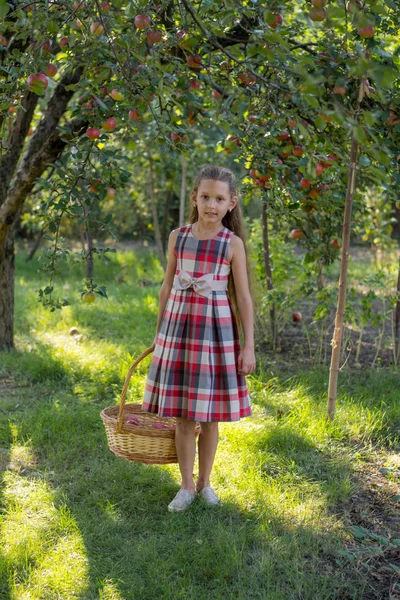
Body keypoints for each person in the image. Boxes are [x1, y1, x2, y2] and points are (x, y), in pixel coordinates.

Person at [141, 165, 256, 512]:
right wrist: (160, 332)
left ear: (231, 203)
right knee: (183, 416)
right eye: (205, 197)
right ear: (195, 198)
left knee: (209, 417)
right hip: (179, 330)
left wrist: (248, 346)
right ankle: (186, 486)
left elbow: (244, 298)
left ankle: (206, 484)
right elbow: (166, 287)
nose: (211, 204)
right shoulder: (179, 237)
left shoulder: (231, 244)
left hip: (215, 334)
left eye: (219, 199)